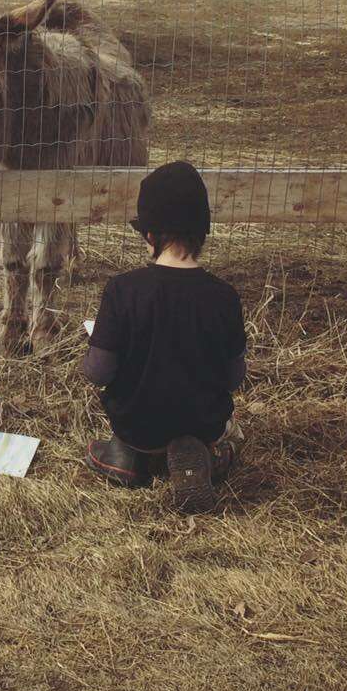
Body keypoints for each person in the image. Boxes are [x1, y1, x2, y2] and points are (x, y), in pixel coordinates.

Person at [82, 161, 247, 513]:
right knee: (234, 432)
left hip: (137, 424)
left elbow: (99, 372)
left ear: (151, 236)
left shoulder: (123, 290)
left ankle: (127, 455)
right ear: (202, 234)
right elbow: (235, 378)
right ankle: (210, 456)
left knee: (135, 427)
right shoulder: (224, 296)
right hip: (203, 422)